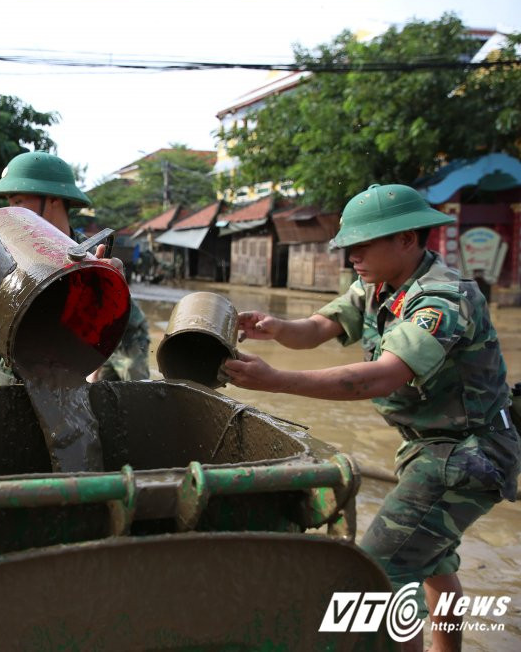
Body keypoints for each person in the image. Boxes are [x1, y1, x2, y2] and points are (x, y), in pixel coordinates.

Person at [222, 184, 520, 652]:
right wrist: (277, 329)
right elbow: (319, 327)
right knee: (434, 563)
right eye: (349, 246)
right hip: (430, 445)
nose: (352, 256)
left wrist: (276, 379)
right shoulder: (377, 284)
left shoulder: (442, 298)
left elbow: (378, 379)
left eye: (362, 244)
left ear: (406, 239)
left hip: (466, 453)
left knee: (378, 574)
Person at [0, 151, 151, 385]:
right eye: (9, 202)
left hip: (64, 386)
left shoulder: (93, 265)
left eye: (18, 201)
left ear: (53, 200)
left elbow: (132, 373)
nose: (12, 209)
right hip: (2, 390)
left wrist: (111, 290)